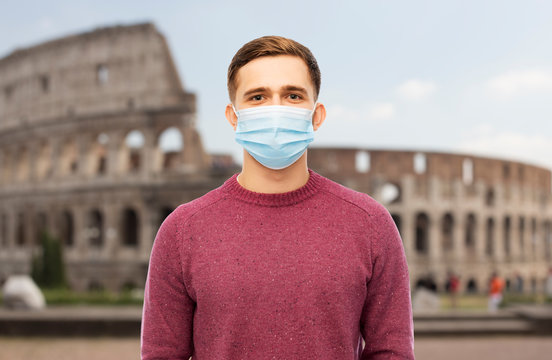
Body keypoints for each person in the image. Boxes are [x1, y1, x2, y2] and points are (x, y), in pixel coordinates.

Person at [141, 35, 414, 360]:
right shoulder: (182, 231)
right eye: (258, 97)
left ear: (317, 115)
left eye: (293, 95)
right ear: (232, 116)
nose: (275, 109)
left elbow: (392, 352)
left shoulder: (369, 224)